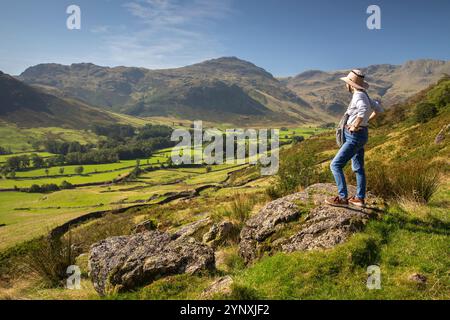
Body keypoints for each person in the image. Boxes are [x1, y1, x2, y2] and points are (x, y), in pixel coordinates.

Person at [326, 69, 383, 207]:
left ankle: (343, 198)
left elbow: (363, 109)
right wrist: (365, 122)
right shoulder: (365, 94)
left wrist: (355, 125)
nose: (346, 85)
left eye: (347, 83)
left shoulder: (358, 95)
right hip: (361, 134)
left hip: (354, 136)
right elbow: (379, 109)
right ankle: (359, 198)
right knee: (358, 167)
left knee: (335, 165)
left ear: (351, 84)